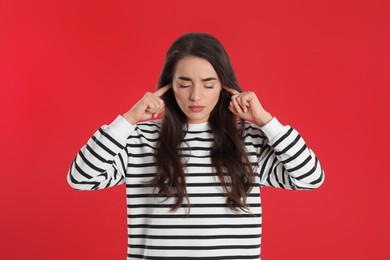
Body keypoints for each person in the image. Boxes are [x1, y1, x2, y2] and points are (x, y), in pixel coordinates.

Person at [67, 32, 324, 260]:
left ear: (225, 86)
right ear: (169, 86)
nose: (196, 96)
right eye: (184, 84)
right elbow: (81, 178)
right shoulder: (139, 139)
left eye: (208, 84)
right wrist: (128, 120)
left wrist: (266, 121)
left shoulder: (248, 139)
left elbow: (310, 178)